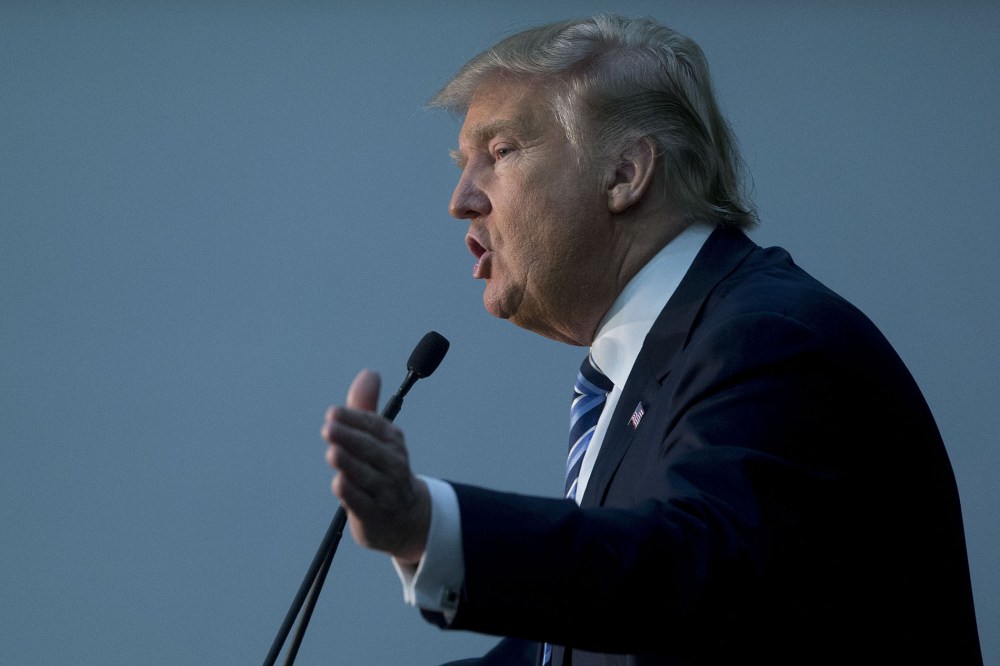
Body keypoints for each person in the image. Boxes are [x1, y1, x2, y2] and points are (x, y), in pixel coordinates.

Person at [322, 14, 982, 665]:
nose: (461, 199)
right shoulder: (649, 365)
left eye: (499, 153)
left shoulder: (766, 338)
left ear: (625, 174)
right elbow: (580, 647)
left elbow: (685, 571)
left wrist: (426, 523)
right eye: (463, 164)